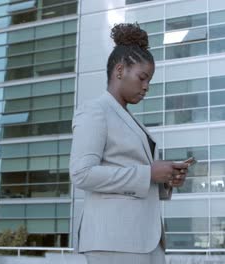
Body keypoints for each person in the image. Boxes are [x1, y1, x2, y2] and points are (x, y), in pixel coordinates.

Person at [69, 23, 189, 264]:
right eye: (142, 77)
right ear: (120, 70)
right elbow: (81, 174)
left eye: (149, 80)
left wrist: (165, 180)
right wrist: (148, 173)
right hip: (115, 240)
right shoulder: (95, 111)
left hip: (145, 240)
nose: (146, 87)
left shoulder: (131, 120)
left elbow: (139, 177)